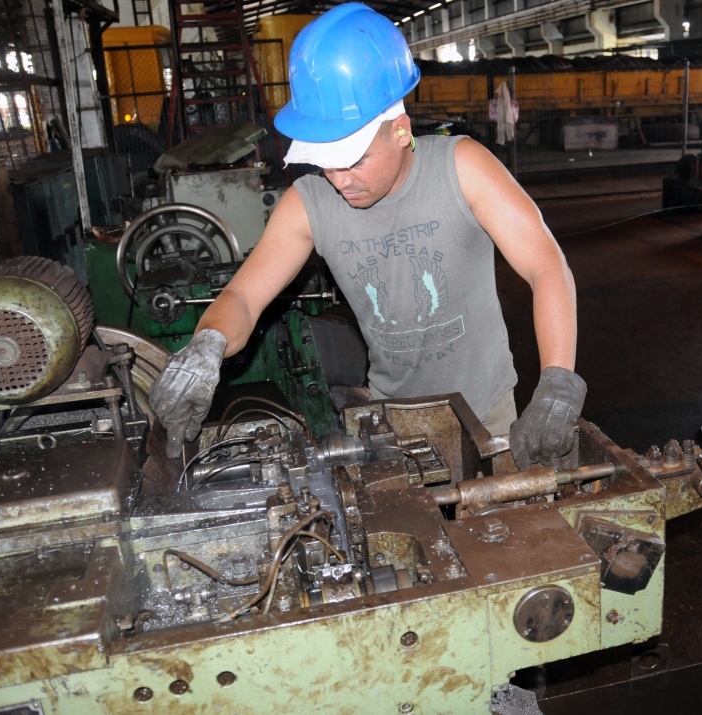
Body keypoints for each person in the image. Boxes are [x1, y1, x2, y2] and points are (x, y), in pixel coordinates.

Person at [149, 3, 586, 470]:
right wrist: (207, 346)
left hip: (489, 417)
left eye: (353, 159)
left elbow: (546, 267)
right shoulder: (309, 203)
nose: (338, 179)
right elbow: (243, 296)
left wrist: (557, 382)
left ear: (400, 130)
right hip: (388, 422)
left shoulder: (465, 169)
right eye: (324, 160)